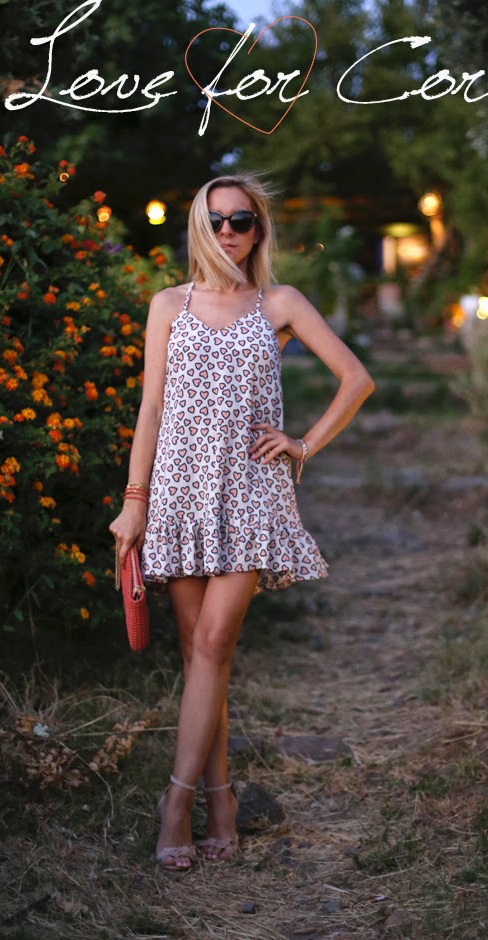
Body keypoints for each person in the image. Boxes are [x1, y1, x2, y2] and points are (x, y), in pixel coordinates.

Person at [109, 172, 375, 870]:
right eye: (217, 219)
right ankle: (221, 799)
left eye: (242, 220)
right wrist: (134, 501)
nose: (228, 230)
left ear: (258, 230)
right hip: (179, 493)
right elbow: (151, 409)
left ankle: (175, 804)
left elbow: (356, 379)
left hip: (251, 493)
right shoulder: (168, 304)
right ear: (199, 225)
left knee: (214, 643)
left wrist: (303, 444)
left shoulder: (278, 303)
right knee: (200, 655)